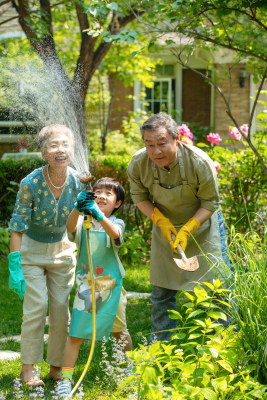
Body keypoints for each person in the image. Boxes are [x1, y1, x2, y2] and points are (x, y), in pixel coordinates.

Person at [127, 112, 231, 342]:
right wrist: (162, 222)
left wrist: (188, 228)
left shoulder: (199, 162)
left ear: (177, 139)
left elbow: (211, 202)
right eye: (149, 144)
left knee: (218, 288)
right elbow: (139, 198)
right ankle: (161, 348)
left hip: (204, 224)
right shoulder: (138, 162)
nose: (156, 151)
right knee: (162, 291)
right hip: (165, 225)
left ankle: (226, 342)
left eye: (162, 143)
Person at [8, 124, 84, 386]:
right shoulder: (30, 183)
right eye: (53, 145)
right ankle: (27, 370)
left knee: (62, 309)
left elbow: (83, 223)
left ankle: (55, 367)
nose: (60, 150)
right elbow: (17, 226)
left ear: (73, 150)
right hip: (32, 251)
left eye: (65, 144)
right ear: (43, 153)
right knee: (36, 308)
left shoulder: (78, 181)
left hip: (63, 250)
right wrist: (14, 264)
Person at [57, 177, 132, 398]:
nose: (101, 196)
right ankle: (65, 381)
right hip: (87, 287)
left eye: (108, 194)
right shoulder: (83, 222)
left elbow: (115, 235)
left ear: (117, 203)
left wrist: (98, 215)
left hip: (111, 287)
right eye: (97, 192)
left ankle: (130, 369)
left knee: (119, 331)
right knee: (77, 333)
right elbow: (70, 227)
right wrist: (76, 208)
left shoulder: (116, 223)